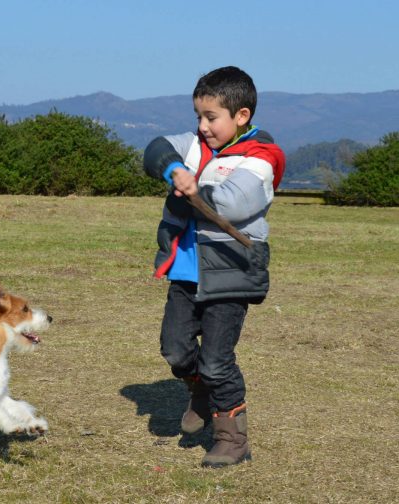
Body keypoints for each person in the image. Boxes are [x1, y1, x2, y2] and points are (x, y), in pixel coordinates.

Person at [143, 66, 285, 468]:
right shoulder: (191, 145)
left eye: (212, 118)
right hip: (185, 273)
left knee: (218, 361)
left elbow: (233, 202)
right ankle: (199, 389)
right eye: (198, 116)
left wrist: (191, 187)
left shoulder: (263, 157)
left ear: (241, 116)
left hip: (230, 275)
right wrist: (174, 169)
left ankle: (231, 440)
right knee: (175, 351)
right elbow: (154, 149)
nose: (202, 126)